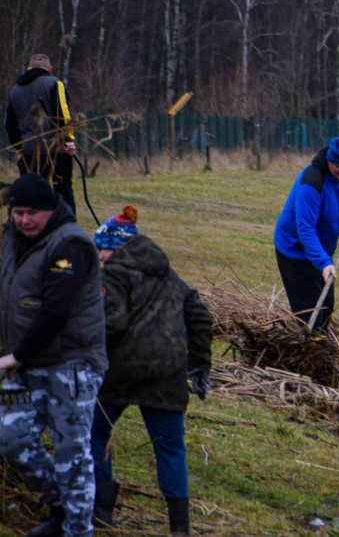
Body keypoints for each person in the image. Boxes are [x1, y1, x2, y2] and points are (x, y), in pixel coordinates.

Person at [88, 205, 212, 536]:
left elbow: (112, 322)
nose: (99, 255)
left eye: (101, 248)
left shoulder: (111, 273)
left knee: (96, 432)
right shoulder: (168, 274)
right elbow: (201, 318)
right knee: (170, 446)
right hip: (168, 373)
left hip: (121, 371)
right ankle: (180, 528)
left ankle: (101, 513)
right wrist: (199, 365)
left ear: (114, 247)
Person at [0, 173, 106, 537]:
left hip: (71, 366)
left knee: (72, 456)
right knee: (11, 437)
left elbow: (55, 310)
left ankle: (77, 530)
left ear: (50, 210)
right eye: (18, 212)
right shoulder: (11, 239)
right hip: (26, 362)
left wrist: (16, 356)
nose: (24, 220)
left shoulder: (71, 245)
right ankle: (60, 508)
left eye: (32, 213)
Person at [274, 136, 339, 333]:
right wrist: (324, 263)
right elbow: (305, 230)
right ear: (329, 160)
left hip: (322, 251)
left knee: (325, 309)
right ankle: (309, 355)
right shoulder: (312, 183)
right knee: (311, 319)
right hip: (295, 253)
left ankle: (319, 345)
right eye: (337, 166)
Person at [5, 53, 78, 215]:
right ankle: (65, 229)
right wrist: (69, 141)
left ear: (29, 68)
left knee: (32, 195)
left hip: (28, 152)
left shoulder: (15, 89)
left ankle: (33, 232)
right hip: (56, 149)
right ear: (49, 69)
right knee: (62, 190)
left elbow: (10, 124)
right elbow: (63, 114)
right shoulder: (54, 83)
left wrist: (19, 148)